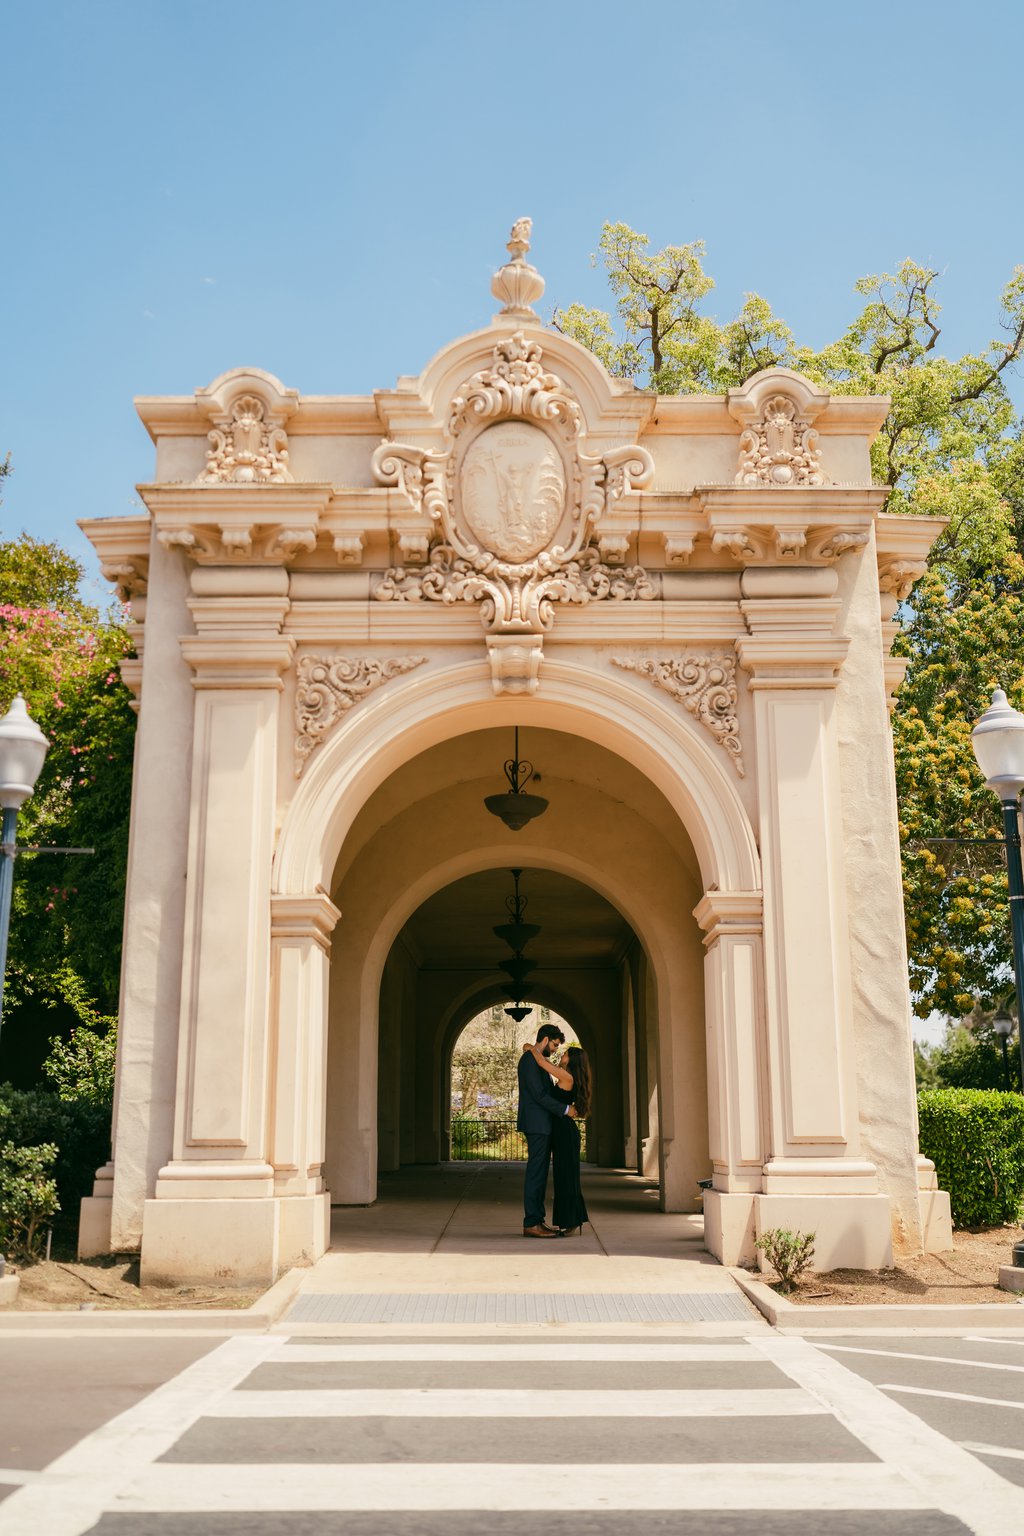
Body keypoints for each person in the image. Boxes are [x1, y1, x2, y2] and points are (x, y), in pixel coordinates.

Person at [521, 1038, 591, 1235]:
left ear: (572, 1061)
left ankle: (573, 1221)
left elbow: (543, 1063)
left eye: (566, 1054)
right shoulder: (566, 1076)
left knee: (567, 1178)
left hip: (564, 1133)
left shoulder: (566, 1077)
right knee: (563, 1178)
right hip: (560, 1131)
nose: (562, 1055)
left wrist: (530, 1048)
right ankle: (570, 1220)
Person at [516, 1022, 576, 1238]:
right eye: (555, 1044)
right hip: (537, 1125)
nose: (556, 1049)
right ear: (545, 1039)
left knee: (540, 1175)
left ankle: (537, 1221)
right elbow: (540, 1096)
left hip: (542, 1125)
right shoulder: (530, 1061)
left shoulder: (537, 1060)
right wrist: (565, 1109)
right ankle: (532, 1223)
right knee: (536, 1174)